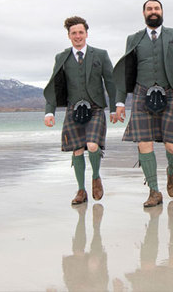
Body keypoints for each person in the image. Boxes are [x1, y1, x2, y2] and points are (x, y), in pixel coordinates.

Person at [113, 0, 173, 208]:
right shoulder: (133, 39)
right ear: (143, 13)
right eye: (149, 9)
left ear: (161, 12)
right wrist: (120, 101)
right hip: (142, 94)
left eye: (156, 8)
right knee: (144, 143)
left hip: (171, 93)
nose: (153, 12)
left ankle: (171, 170)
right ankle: (153, 191)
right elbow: (126, 71)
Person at [44, 16, 118, 205]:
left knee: (93, 145)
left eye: (81, 32)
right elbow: (54, 86)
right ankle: (81, 191)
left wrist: (115, 107)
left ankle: (95, 177)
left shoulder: (100, 55)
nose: (78, 36)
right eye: (74, 33)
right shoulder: (62, 57)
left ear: (86, 34)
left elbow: (110, 82)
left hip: (95, 108)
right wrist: (49, 111)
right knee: (77, 150)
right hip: (73, 109)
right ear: (69, 36)